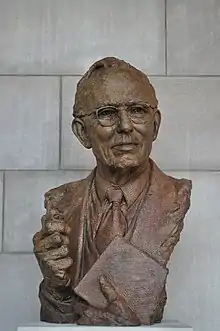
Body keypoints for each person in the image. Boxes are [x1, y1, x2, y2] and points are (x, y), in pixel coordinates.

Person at [33, 57, 192, 325]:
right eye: (107, 113)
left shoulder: (175, 197)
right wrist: (55, 287)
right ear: (82, 133)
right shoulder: (60, 203)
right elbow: (56, 318)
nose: (126, 126)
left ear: (155, 125)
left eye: (138, 110)